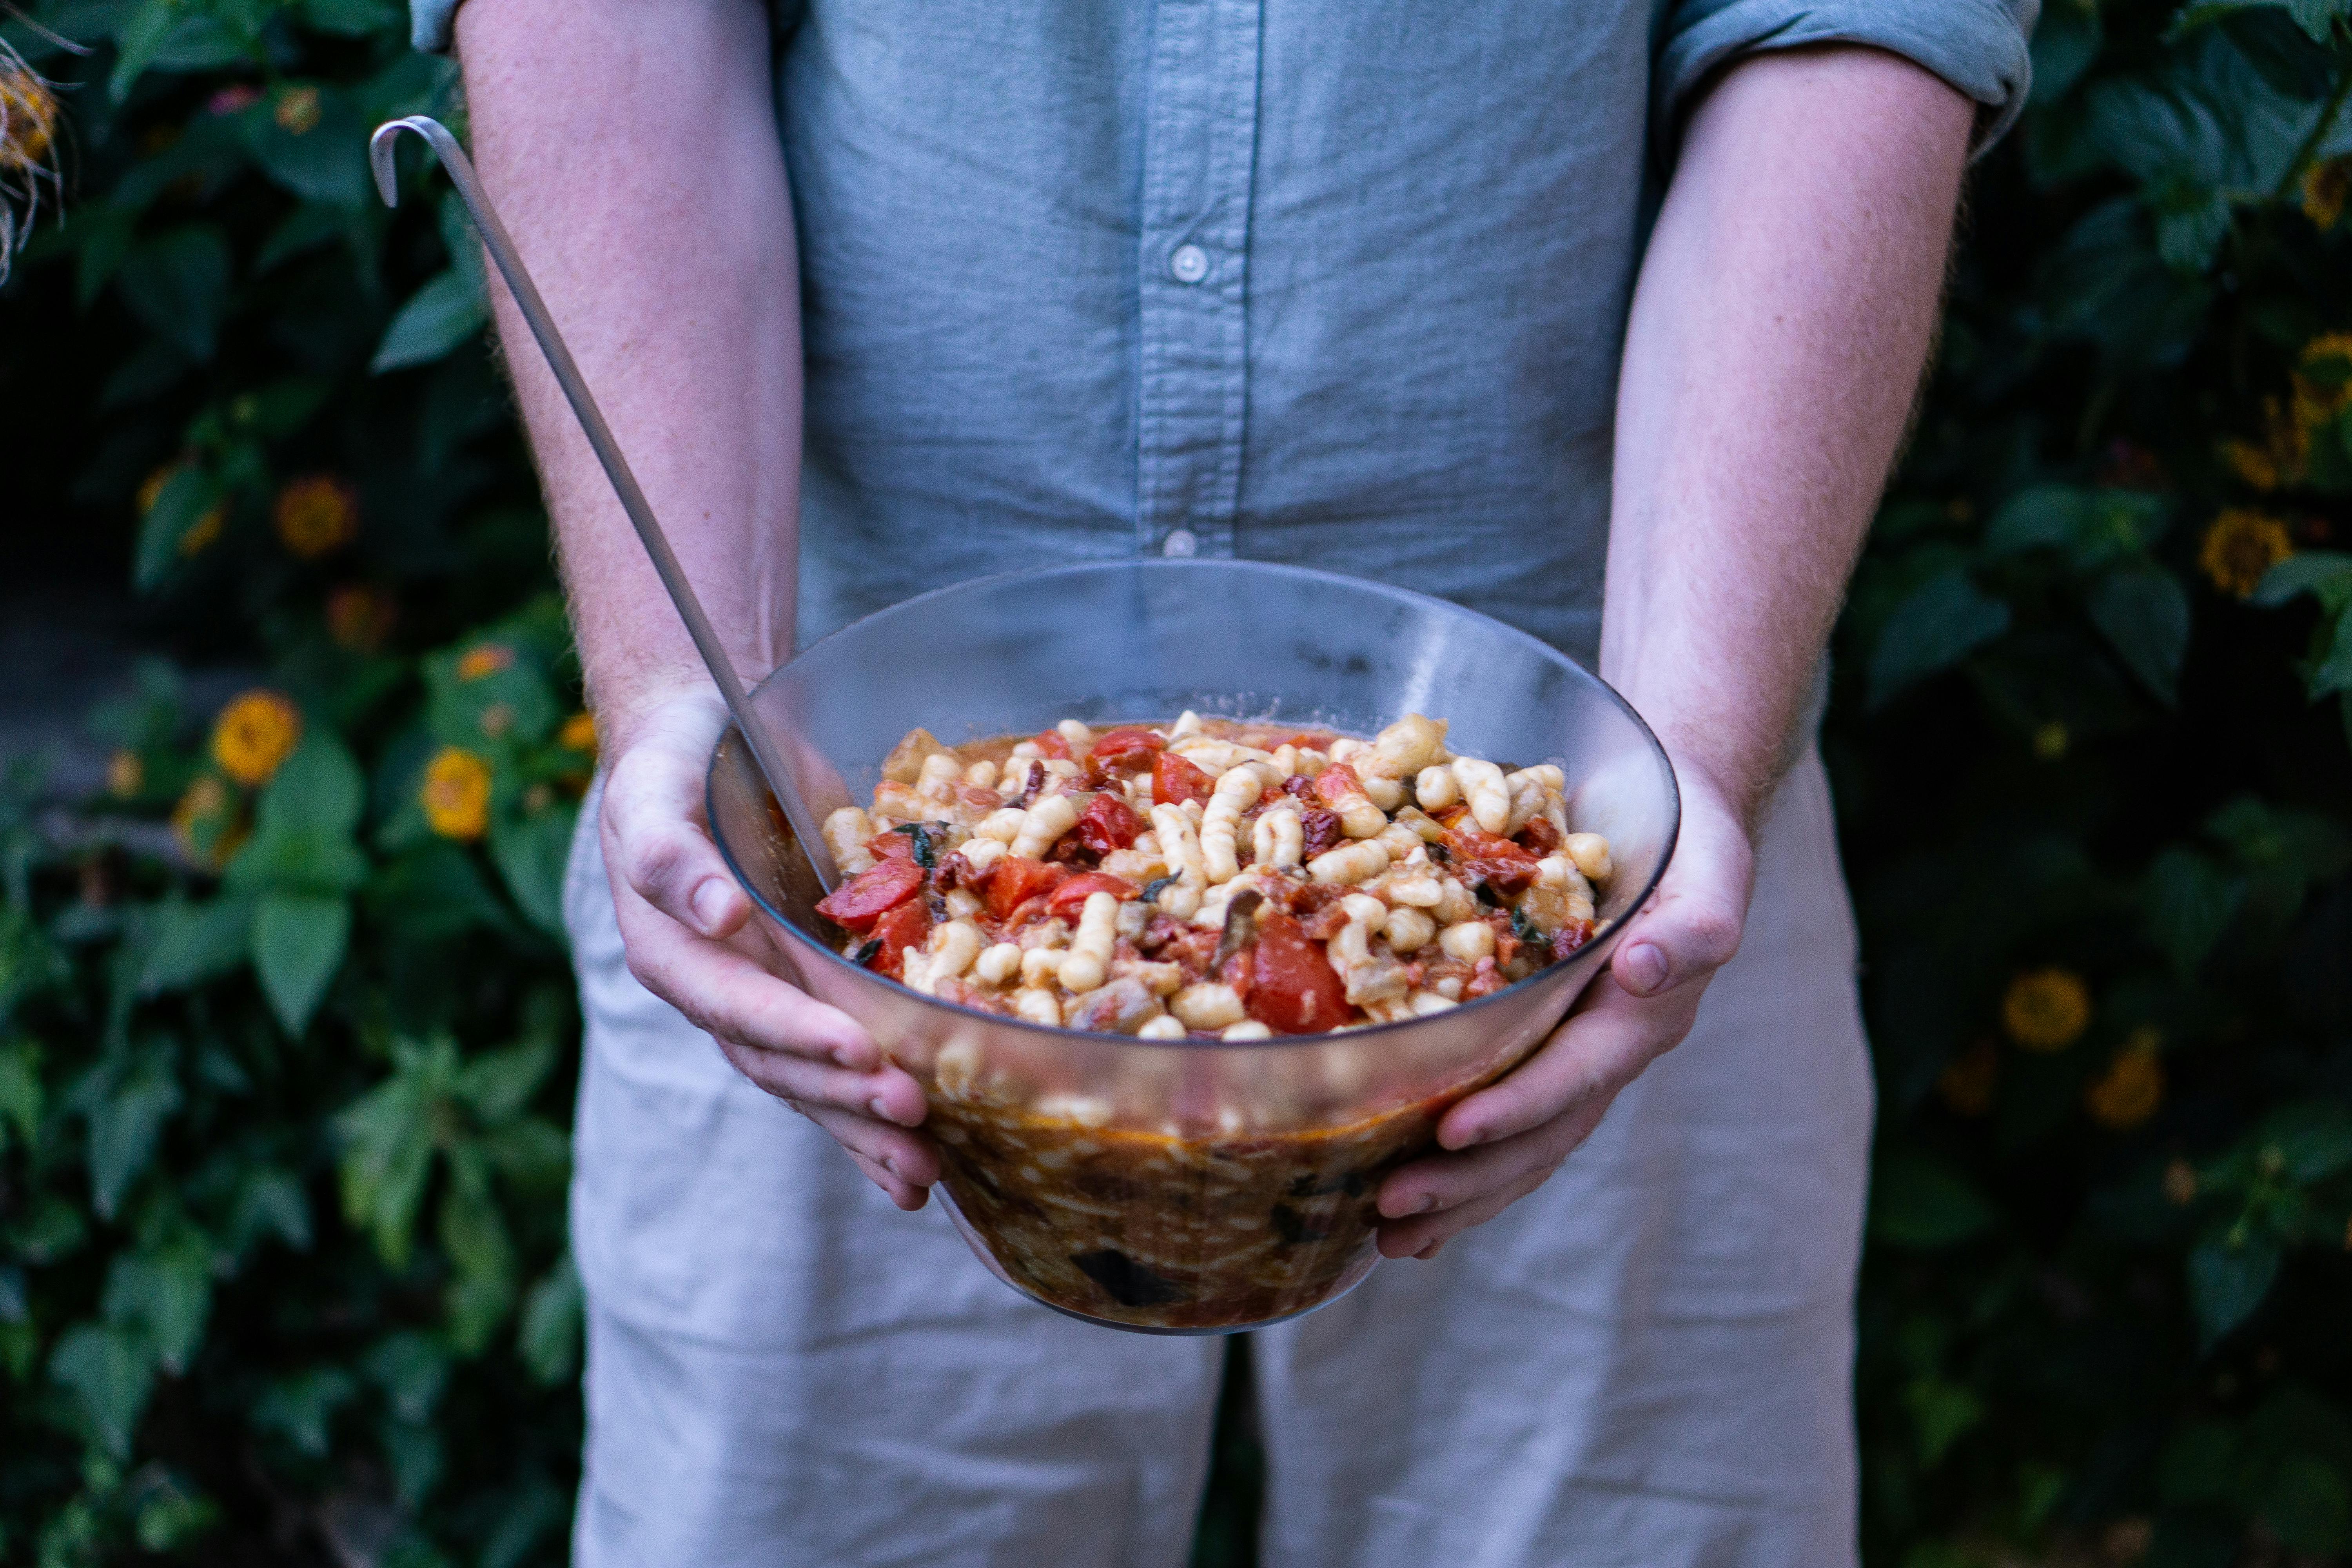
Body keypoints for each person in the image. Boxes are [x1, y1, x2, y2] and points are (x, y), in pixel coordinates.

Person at [416, 1, 2030, 1561]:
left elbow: (1845, 21)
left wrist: (1689, 740)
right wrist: (682, 698)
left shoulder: (1626, 836)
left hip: (1606, 848)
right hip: (826, 880)